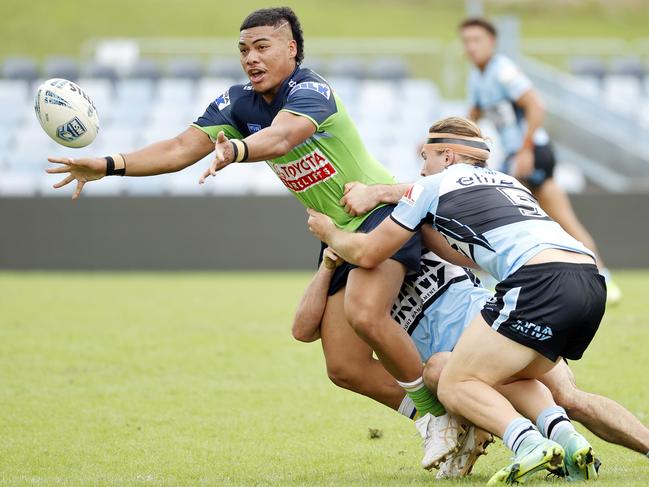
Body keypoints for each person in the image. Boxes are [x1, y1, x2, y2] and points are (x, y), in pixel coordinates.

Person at [45, 6, 449, 466]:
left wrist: (235, 149)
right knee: (344, 367)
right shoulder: (237, 103)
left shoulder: (311, 89)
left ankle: (441, 415)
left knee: (363, 312)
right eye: (243, 50)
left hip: (379, 216)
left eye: (262, 47)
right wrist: (107, 164)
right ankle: (431, 422)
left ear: (291, 49)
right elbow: (179, 149)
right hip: (336, 235)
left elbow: (282, 138)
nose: (250, 58)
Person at [307, 116, 608, 484]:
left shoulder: (431, 188)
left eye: (426, 156)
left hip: (531, 288)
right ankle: (569, 439)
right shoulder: (502, 181)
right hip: (585, 279)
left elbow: (371, 251)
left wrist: (331, 233)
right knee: (514, 378)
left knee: (449, 380)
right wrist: (381, 193)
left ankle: (527, 443)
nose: (421, 168)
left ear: (447, 156)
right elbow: (457, 249)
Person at [294, 247, 649, 478]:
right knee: (558, 397)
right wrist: (327, 264)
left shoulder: (404, 223)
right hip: (473, 348)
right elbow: (304, 330)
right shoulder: (345, 262)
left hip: (486, 325)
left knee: (566, 397)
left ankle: (531, 439)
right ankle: (559, 441)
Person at [459, 17, 622, 304]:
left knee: (496, 212)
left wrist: (525, 150)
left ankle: (492, 279)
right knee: (558, 218)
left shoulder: (503, 70)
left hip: (532, 153)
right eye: (466, 41)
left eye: (477, 40)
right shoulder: (477, 77)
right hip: (517, 156)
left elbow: (536, 105)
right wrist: (441, 138)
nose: (471, 47)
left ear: (491, 43)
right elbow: (471, 118)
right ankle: (602, 276)